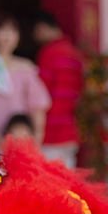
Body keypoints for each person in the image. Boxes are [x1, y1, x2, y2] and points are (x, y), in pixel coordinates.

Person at [0, 14, 49, 148]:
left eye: (12, 31)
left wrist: (37, 139)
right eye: (2, 30)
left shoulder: (26, 67)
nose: (7, 36)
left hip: (21, 139)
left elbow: (37, 105)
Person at [32, 10, 84, 168]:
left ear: (42, 28)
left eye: (36, 32)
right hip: (71, 131)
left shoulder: (48, 53)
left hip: (51, 132)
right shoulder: (75, 54)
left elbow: (39, 95)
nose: (36, 38)